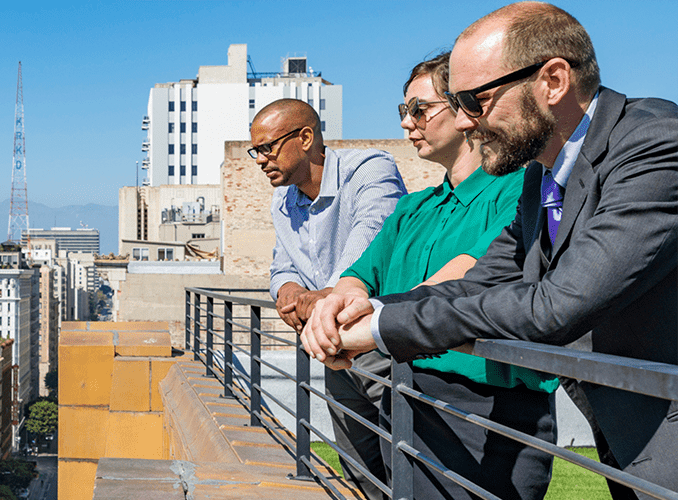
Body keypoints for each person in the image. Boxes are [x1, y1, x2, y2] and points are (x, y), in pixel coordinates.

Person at [304, 3, 678, 498]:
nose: (463, 123)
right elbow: (481, 280)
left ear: (553, 80)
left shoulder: (654, 143)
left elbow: (555, 306)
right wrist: (365, 308)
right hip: (629, 426)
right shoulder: (541, 178)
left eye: (474, 101)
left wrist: (376, 329)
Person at [313, 51, 557, 500]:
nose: (408, 122)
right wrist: (335, 306)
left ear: (465, 108)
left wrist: (359, 323)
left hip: (487, 405)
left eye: (419, 109)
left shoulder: (518, 189)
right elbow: (359, 275)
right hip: (406, 391)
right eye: (404, 111)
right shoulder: (412, 208)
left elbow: (471, 275)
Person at [251, 98, 405, 499]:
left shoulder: (369, 169)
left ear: (305, 138)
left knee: (403, 465)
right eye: (255, 151)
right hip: (330, 348)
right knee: (357, 467)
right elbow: (281, 267)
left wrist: (329, 297)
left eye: (267, 148)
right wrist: (293, 296)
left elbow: (374, 239)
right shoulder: (282, 200)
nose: (259, 160)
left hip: (381, 343)